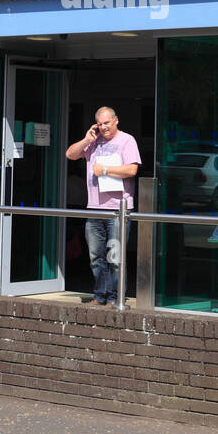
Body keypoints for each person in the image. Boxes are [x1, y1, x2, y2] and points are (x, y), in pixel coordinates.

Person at [65, 106, 141, 305]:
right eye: (100, 124)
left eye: (107, 123)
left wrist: (105, 170)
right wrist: (87, 140)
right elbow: (70, 154)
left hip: (118, 209)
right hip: (95, 207)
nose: (104, 127)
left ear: (116, 120)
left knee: (115, 257)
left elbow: (132, 169)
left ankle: (116, 299)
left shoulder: (127, 140)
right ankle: (100, 296)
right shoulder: (93, 142)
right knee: (95, 256)